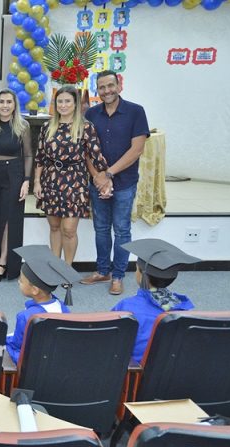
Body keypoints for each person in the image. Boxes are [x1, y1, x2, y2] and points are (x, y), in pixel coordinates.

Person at [82, 71, 150, 295]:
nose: (107, 91)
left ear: (119, 85)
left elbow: (137, 149)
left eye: (110, 85)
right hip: (98, 182)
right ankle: (103, 271)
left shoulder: (135, 111)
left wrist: (107, 175)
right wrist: (97, 177)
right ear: (97, 90)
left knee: (122, 230)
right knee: (100, 228)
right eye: (102, 87)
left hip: (124, 182)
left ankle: (118, 275)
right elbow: (87, 151)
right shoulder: (91, 113)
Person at [33, 85, 108, 266]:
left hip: (75, 181)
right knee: (54, 226)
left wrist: (105, 179)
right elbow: (40, 157)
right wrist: (37, 182)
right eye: (60, 101)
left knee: (69, 229)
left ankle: (67, 268)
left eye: (68, 101)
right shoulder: (47, 127)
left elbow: (96, 156)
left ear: (75, 104)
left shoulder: (85, 127)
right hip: (50, 180)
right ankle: (54, 265)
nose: (63, 105)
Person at [110, 239, 199, 363]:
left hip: (135, 372)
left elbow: (111, 338)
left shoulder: (127, 307)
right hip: (171, 371)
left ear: (141, 275)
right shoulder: (185, 309)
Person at [0, 89, 33, 282]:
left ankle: (4, 261)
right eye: (1, 102)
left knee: (9, 219)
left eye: (9, 102)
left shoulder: (22, 126)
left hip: (14, 172)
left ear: (15, 105)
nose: (5, 105)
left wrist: (26, 180)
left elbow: (28, 154)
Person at [5, 245, 82, 364]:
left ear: (35, 290)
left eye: (21, 280)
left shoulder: (26, 317)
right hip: (58, 359)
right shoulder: (63, 308)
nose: (18, 282)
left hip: (34, 364)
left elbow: (16, 346)